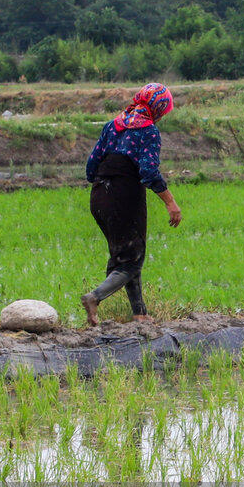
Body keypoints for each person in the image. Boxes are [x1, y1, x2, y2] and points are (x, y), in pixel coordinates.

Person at [81, 83, 182, 327]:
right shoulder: (148, 131)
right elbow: (148, 171)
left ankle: (139, 313)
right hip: (124, 197)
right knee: (131, 260)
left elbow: (90, 166)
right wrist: (171, 203)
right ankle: (94, 297)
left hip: (99, 197)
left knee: (125, 253)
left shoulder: (112, 126)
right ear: (158, 109)